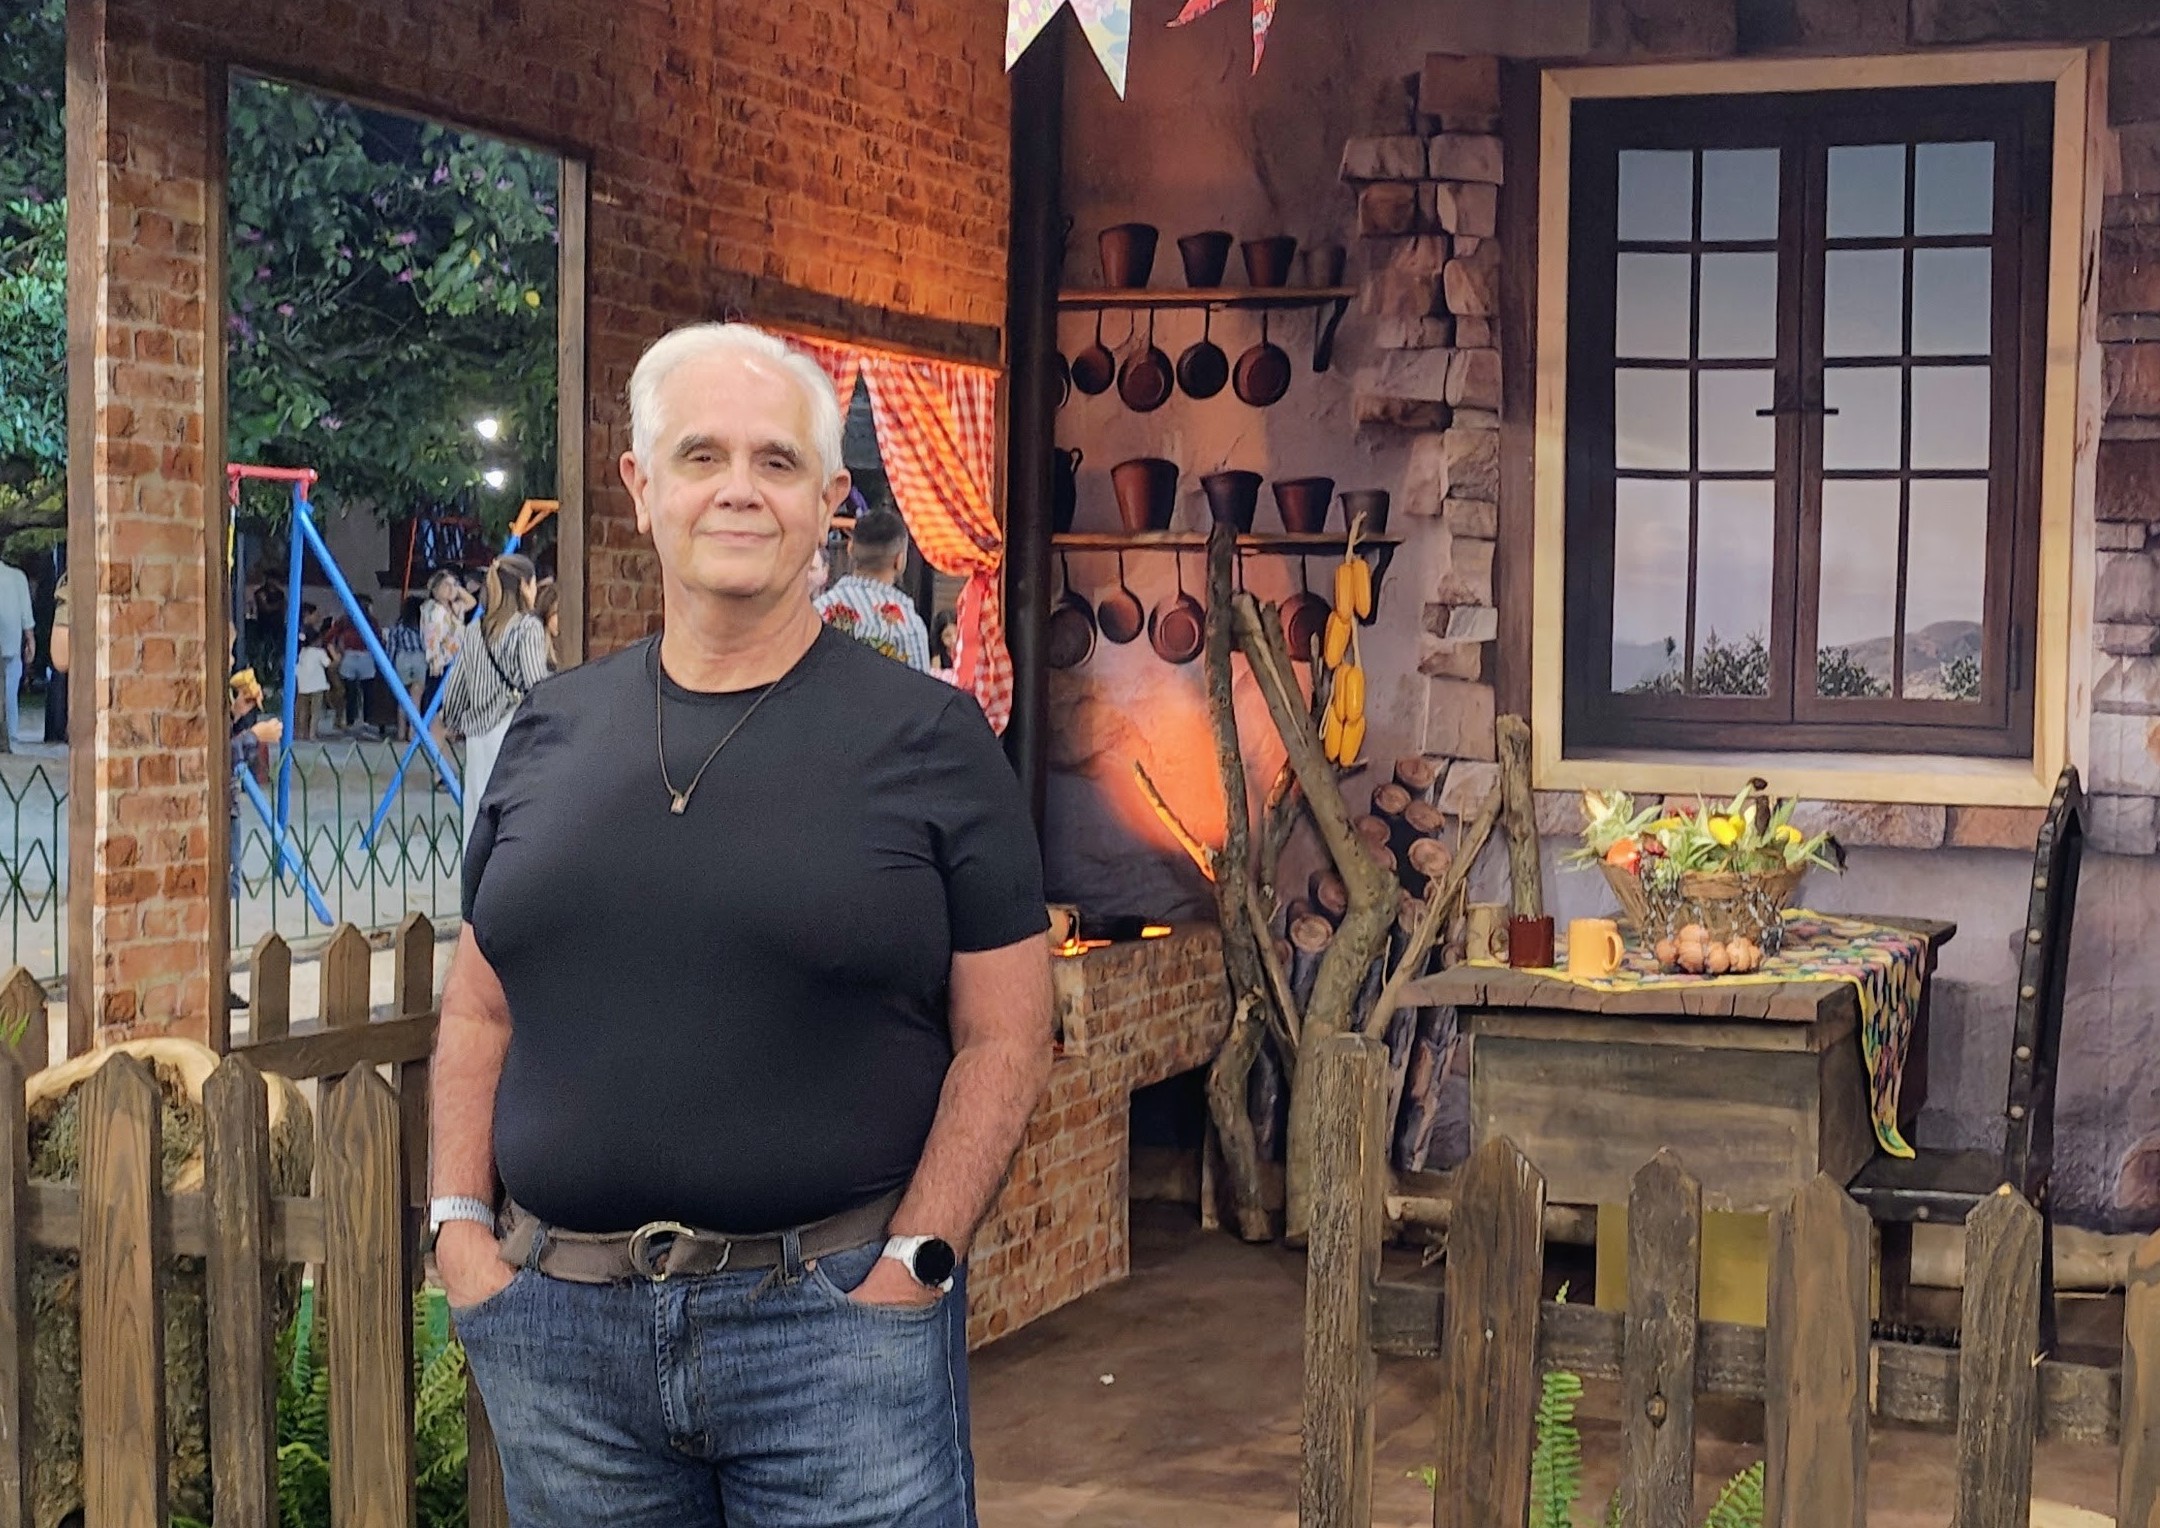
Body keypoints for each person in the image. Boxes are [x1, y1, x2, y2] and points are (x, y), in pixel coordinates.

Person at [428, 321, 1052, 1528]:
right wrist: (460, 1231)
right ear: (640, 487)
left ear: (828, 501)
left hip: (834, 1337)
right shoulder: (549, 732)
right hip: (564, 1338)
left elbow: (1009, 1036)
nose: (738, 489)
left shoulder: (934, 742)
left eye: (776, 462)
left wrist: (918, 1262)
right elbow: (480, 1009)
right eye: (701, 455)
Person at [435, 552, 547, 845]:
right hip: (514, 730)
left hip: (478, 737)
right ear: (524, 585)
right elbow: (536, 685)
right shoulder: (527, 626)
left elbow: (456, 687)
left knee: (478, 812)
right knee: (513, 814)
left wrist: (453, 721)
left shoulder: (475, 630)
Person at [813, 506, 933, 672]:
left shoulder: (817, 611)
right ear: (899, 560)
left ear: (850, 549)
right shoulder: (909, 626)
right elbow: (920, 687)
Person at [0, 556, 34, 752]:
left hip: (9, 642)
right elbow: (25, 614)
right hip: (11, 643)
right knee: (10, 692)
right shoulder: (17, 577)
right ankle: (10, 734)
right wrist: (30, 640)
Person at [387, 597, 429, 740]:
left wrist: (390, 666)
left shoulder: (397, 627)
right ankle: (412, 732)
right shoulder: (423, 626)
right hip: (419, 658)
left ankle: (400, 732)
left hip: (402, 658)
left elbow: (391, 648)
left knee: (402, 698)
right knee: (416, 698)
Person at [292, 630, 332, 741]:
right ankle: (312, 734)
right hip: (317, 685)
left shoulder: (302, 652)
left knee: (303, 711)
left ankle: (301, 732)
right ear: (316, 640)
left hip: (303, 685)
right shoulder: (320, 652)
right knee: (315, 711)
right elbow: (328, 663)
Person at [929, 609, 960, 676]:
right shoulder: (937, 656)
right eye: (947, 635)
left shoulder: (964, 652)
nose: (953, 640)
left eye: (956, 633)